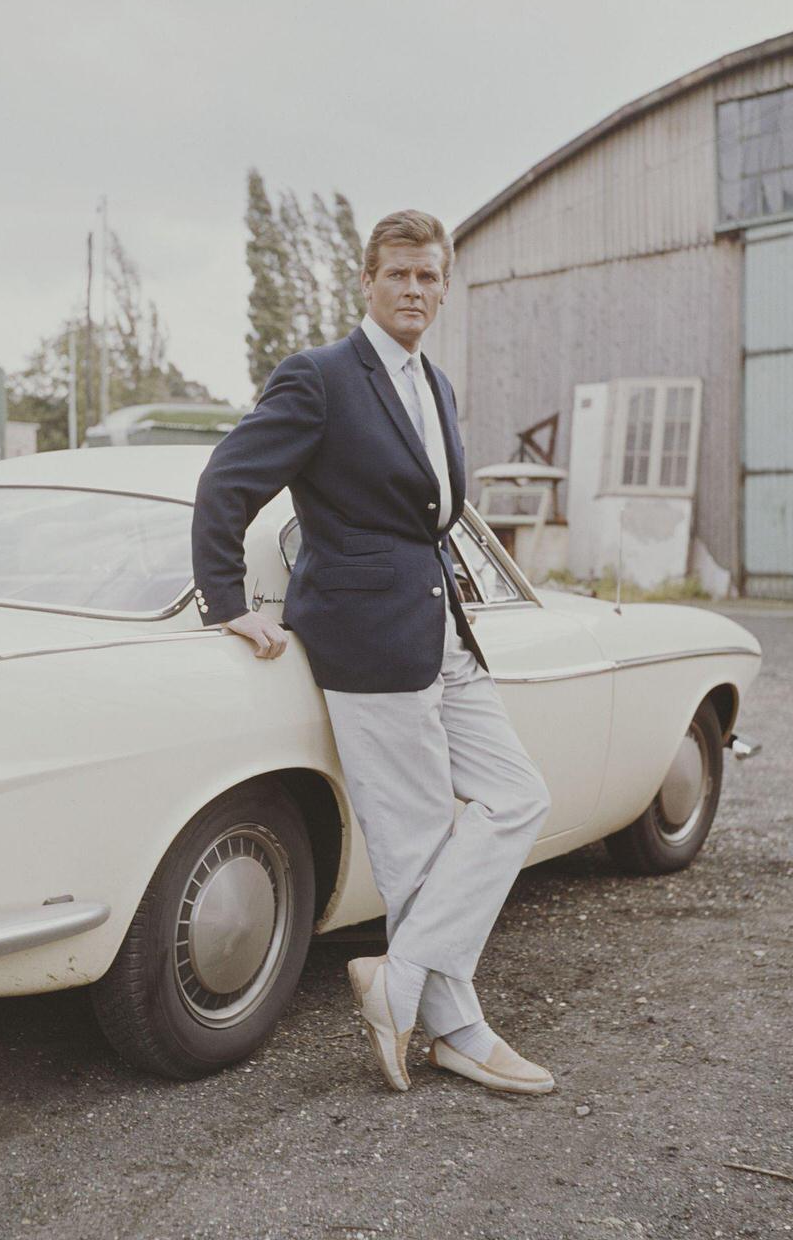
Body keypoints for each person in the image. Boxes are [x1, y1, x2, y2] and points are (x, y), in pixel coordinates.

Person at [190, 209, 555, 1094]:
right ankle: (459, 1032)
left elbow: (432, 517)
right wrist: (230, 604)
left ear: (444, 283)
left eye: (429, 276)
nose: (415, 290)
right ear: (367, 280)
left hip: (441, 634)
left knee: (517, 796)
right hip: (363, 642)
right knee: (419, 849)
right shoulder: (318, 379)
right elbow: (227, 481)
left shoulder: (436, 384)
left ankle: (397, 978)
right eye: (398, 274)